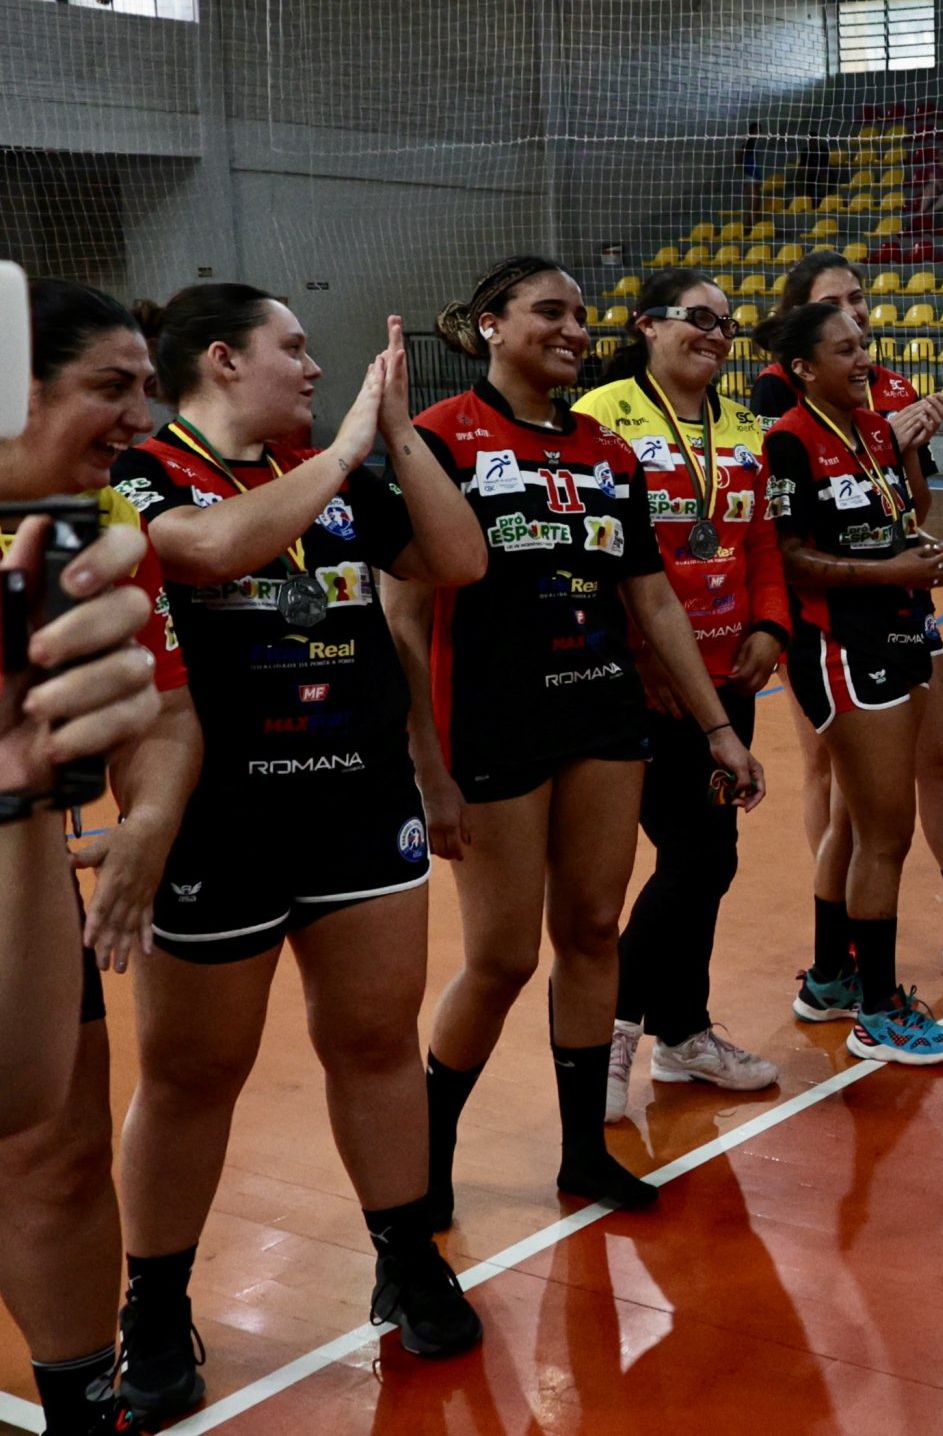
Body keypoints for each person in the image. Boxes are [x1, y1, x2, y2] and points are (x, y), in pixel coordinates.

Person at [109, 291, 489, 1418]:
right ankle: (154, 1303)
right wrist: (341, 455)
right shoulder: (143, 472)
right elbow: (208, 550)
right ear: (224, 360)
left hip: (358, 803)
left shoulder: (335, 475)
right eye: (295, 348)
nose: (317, 368)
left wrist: (397, 437)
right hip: (218, 817)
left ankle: (406, 1257)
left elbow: (458, 558)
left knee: (374, 1041)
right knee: (193, 1075)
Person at [393, 256, 764, 1227]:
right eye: (548, 312)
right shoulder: (440, 439)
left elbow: (652, 599)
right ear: (489, 324)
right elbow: (403, 618)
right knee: (502, 957)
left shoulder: (606, 452)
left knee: (594, 930)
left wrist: (718, 728)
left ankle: (582, 1153)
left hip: (602, 716)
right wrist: (426, 766)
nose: (572, 329)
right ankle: (426, 1157)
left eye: (581, 315)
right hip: (493, 726)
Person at [0, 279, 206, 1436]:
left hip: (24, 876)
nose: (141, 417)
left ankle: (84, 1408)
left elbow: (168, 713)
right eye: (111, 386)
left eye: (148, 386)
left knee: (54, 1144)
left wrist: (145, 821)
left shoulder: (105, 525)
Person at [576, 273, 790, 1118]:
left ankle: (684, 1034)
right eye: (699, 318)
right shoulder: (601, 416)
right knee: (697, 854)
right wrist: (643, 654)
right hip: (647, 685)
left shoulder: (741, 425)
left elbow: (760, 537)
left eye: (727, 324)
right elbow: (591, 554)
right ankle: (614, 1029)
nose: (717, 334)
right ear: (648, 325)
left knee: (709, 852)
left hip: (728, 677)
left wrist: (771, 624)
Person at [763, 301, 943, 1058]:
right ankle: (881, 1012)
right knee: (885, 832)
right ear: (803, 368)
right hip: (842, 648)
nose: (864, 360)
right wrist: (891, 571)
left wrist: (925, 550)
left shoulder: (877, 432)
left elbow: (903, 515)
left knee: (857, 824)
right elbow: (788, 555)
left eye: (865, 346)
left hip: (900, 628)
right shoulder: (787, 441)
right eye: (845, 350)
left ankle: (831, 979)